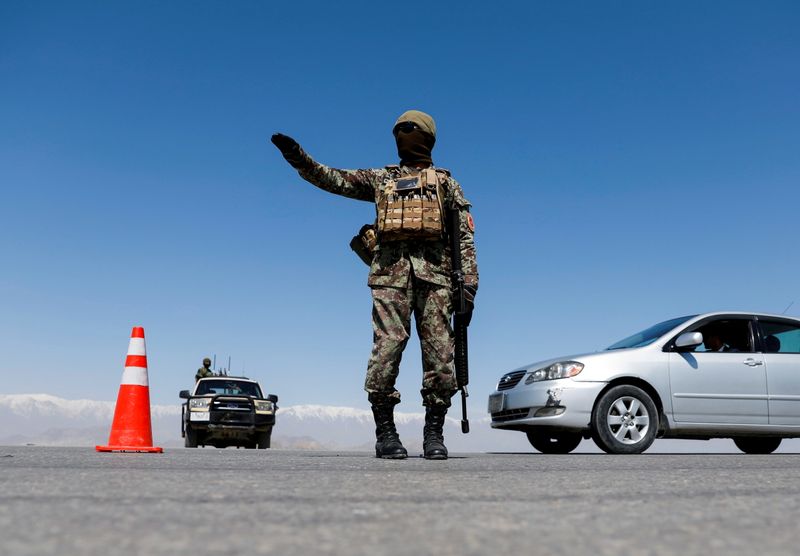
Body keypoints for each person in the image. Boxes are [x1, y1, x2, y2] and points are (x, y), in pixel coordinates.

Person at [271, 110, 478, 460]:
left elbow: (464, 239)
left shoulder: (446, 185)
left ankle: (433, 434)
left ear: (427, 136)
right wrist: (299, 159)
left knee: (441, 358)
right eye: (398, 130)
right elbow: (332, 179)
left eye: (410, 129)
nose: (402, 135)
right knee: (387, 350)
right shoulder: (381, 179)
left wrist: (468, 287)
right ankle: (385, 432)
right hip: (390, 278)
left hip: (436, 281)